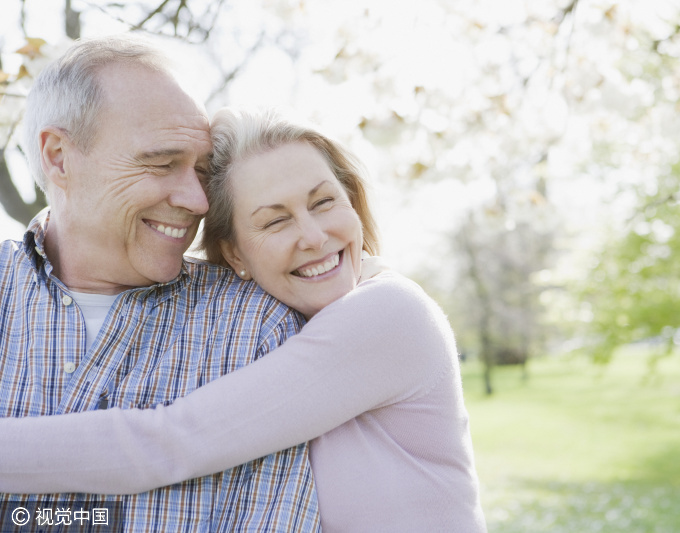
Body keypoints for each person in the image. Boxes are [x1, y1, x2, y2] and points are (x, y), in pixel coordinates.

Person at [0, 108, 487, 532]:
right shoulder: (275, 321)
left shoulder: (388, 314)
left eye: (324, 202)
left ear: (353, 203)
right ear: (234, 254)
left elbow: (170, 441)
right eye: (276, 221)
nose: (315, 237)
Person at [0, 36, 320, 531]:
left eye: (202, 170)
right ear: (59, 157)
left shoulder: (257, 329)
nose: (197, 200)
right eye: (161, 162)